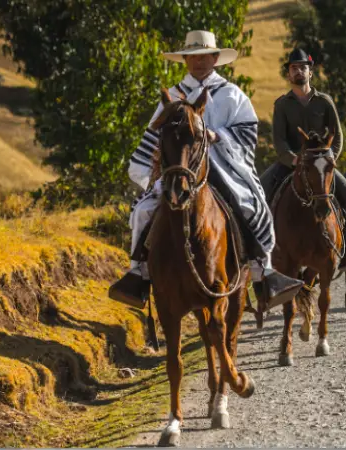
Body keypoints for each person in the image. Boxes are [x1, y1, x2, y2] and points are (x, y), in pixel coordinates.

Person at [108, 30, 304, 310]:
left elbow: (247, 135)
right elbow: (154, 137)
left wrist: (217, 136)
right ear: (185, 61)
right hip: (179, 169)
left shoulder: (233, 96)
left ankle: (263, 272)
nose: (199, 62)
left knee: (249, 207)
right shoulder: (172, 96)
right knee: (142, 212)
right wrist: (155, 160)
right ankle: (139, 272)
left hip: (223, 166)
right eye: (192, 57)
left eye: (204, 56)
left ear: (215, 58)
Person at [259, 48, 346, 272]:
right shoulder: (282, 105)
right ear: (288, 74)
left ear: (311, 72)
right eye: (293, 68)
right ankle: (264, 249)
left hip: (321, 166)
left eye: (302, 67)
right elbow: (279, 141)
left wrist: (328, 161)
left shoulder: (325, 102)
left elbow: (337, 137)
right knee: (260, 190)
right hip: (291, 164)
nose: (298, 71)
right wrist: (293, 160)